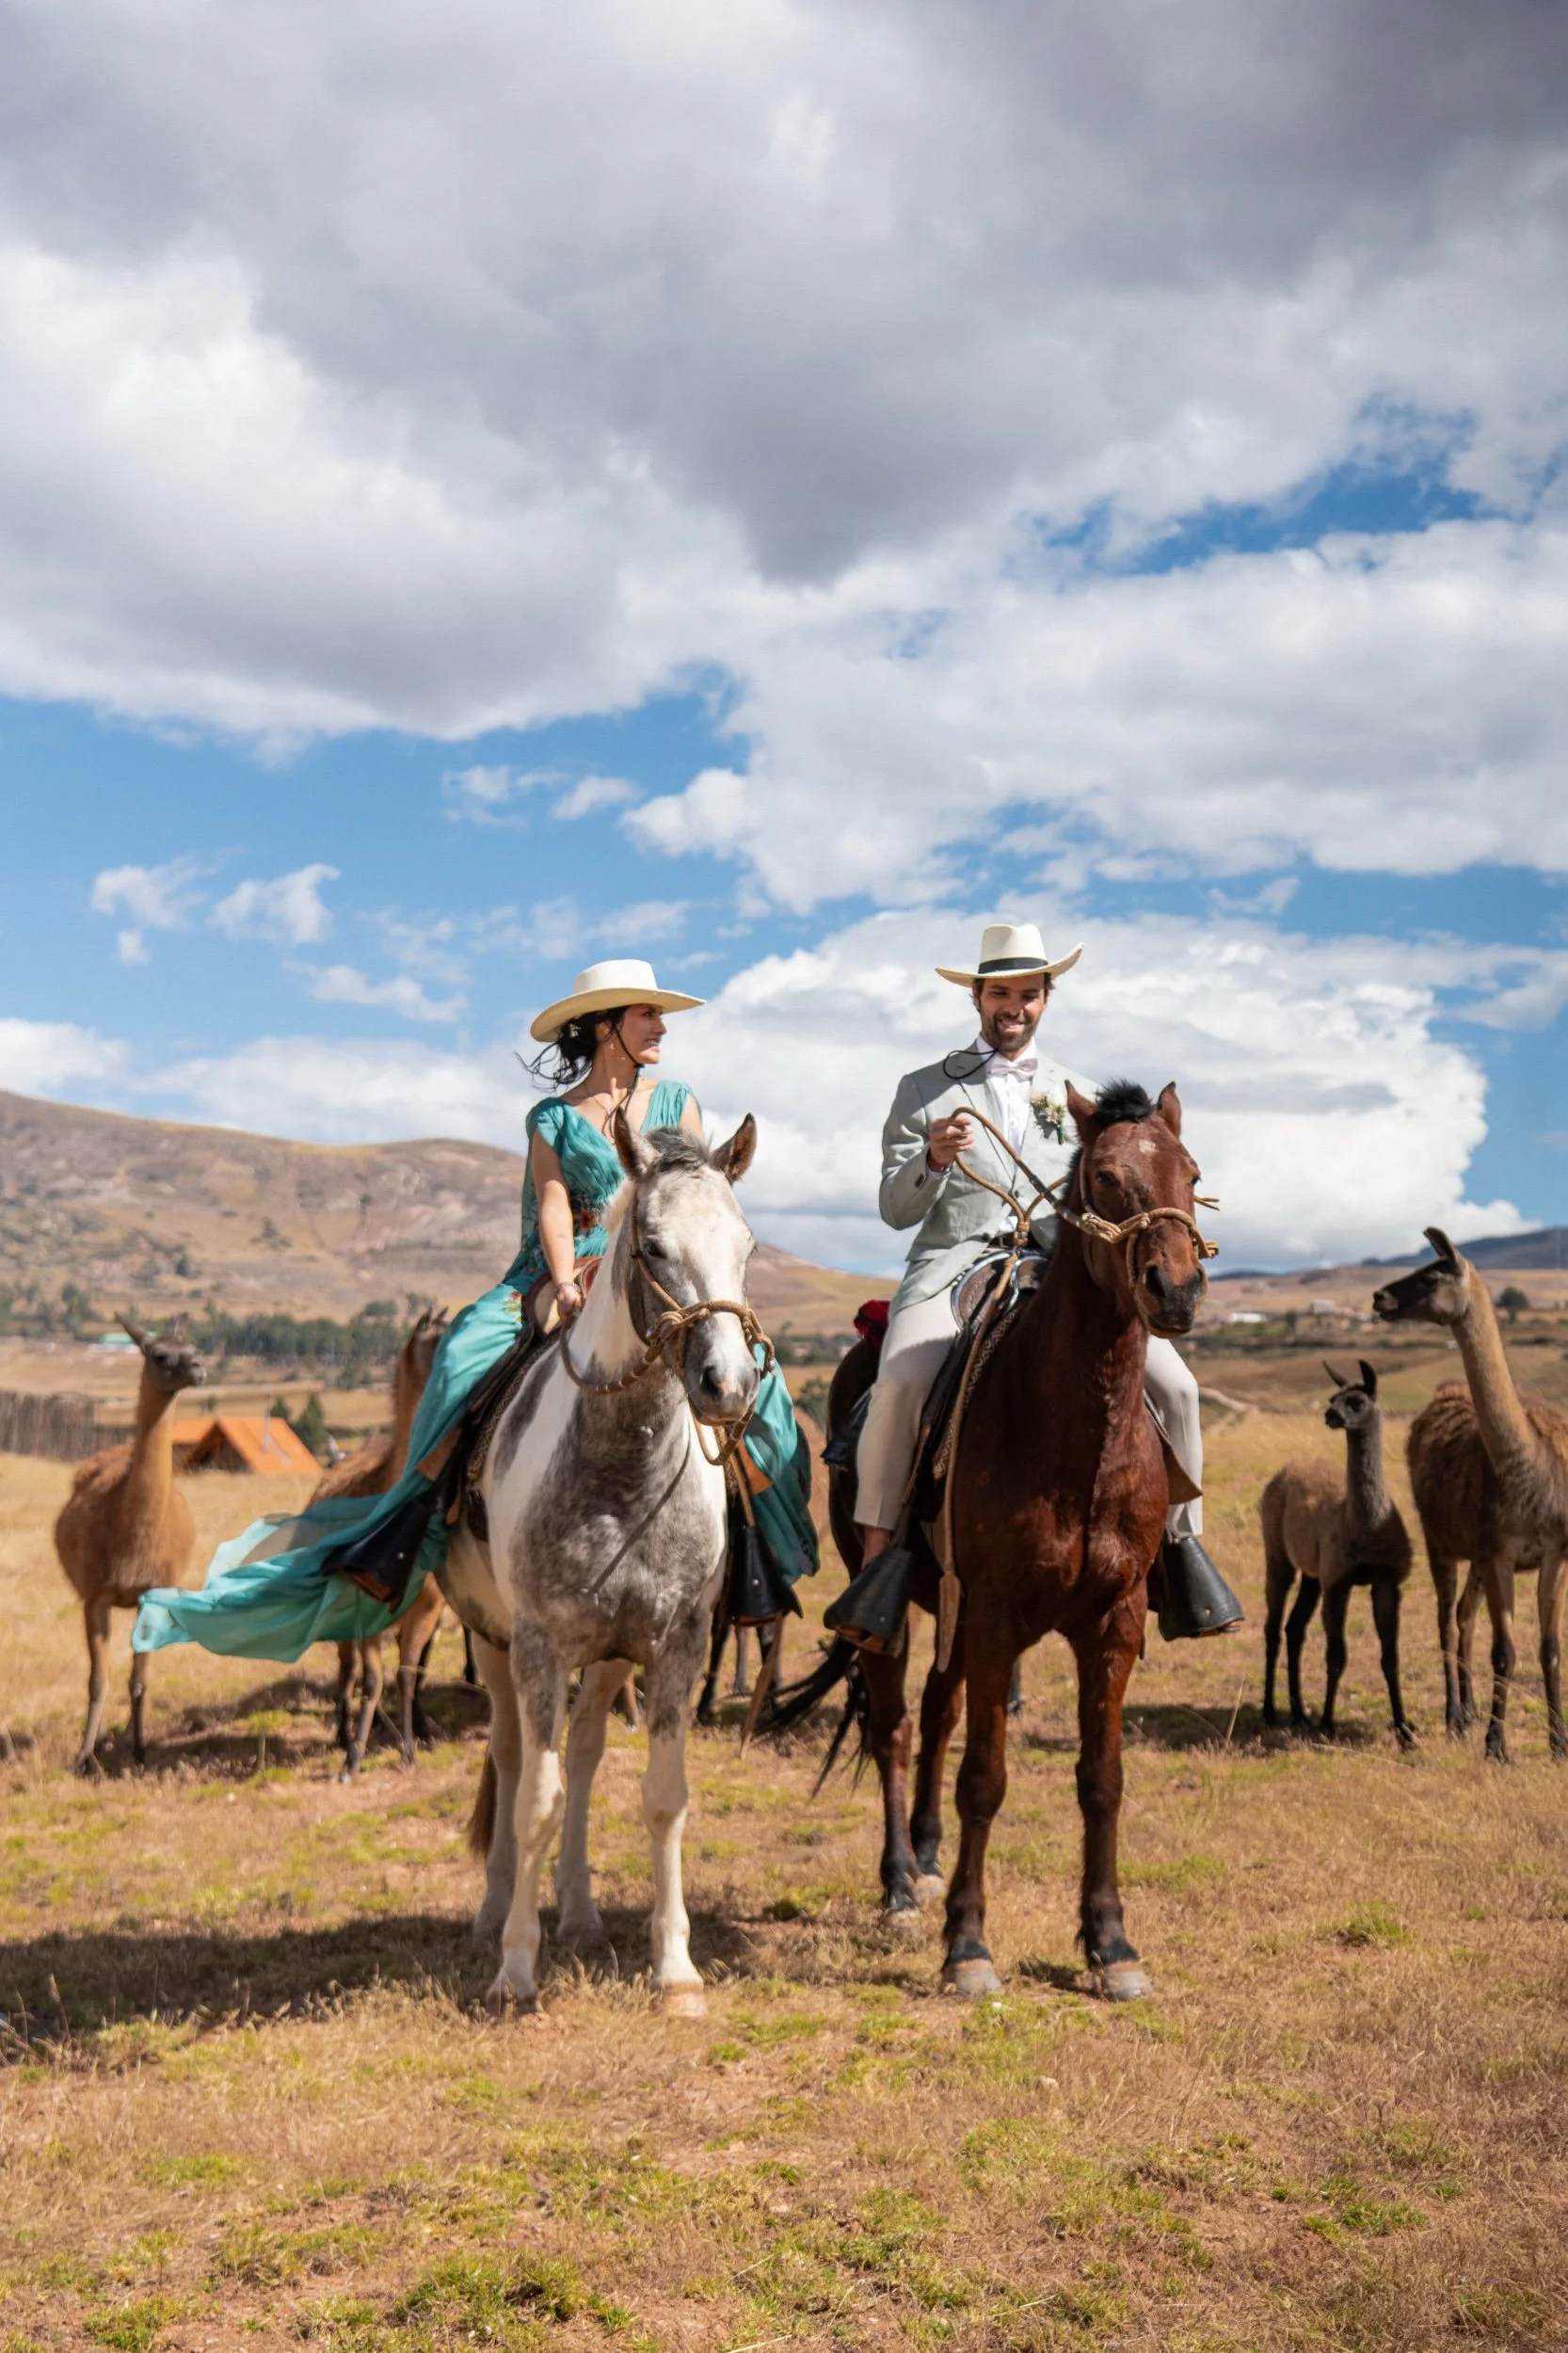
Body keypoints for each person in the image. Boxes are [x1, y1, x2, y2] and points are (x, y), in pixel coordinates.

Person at [134, 957, 814, 1669]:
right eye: (646, 1014)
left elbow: (696, 1196)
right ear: (606, 1025)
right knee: (462, 1356)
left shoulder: (680, 1105)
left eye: (657, 1014)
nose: (661, 1026)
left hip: (663, 1275)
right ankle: (406, 1527)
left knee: (755, 1380)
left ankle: (756, 1545)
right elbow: (553, 1205)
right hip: (565, 1271)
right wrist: (565, 1281)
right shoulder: (553, 1118)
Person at [852, 920, 1241, 1641]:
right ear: (977, 995)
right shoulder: (923, 1089)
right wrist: (933, 1159)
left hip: (1066, 1267)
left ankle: (1182, 1553)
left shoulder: (1083, 1096)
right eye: (1001, 992)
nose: (1015, 1007)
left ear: (1046, 998)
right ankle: (880, 1561)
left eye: (1029, 994)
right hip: (954, 1265)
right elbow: (893, 1207)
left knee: (1180, 1389)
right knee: (903, 1382)